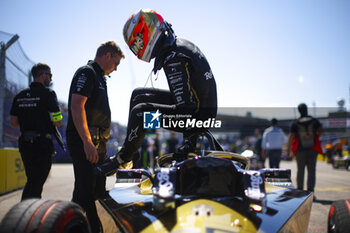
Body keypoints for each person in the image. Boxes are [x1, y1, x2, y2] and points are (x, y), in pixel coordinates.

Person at [96, 9, 217, 175]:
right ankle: (132, 152)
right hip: (197, 108)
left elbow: (185, 108)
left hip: (196, 116)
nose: (137, 48)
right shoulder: (177, 47)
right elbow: (185, 99)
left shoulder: (173, 57)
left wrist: (189, 143)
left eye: (137, 43)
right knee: (138, 94)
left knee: (141, 113)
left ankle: (122, 158)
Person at [66, 41, 124, 233]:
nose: (116, 69)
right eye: (116, 63)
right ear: (107, 55)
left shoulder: (100, 77)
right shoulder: (87, 72)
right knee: (86, 192)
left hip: (97, 142)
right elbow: (76, 106)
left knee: (96, 191)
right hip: (86, 141)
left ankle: (72, 226)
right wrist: (87, 142)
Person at [10, 63, 62, 200]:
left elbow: (13, 123)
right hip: (42, 145)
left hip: (25, 144)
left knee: (33, 180)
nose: (51, 79)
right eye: (50, 75)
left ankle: (29, 213)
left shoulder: (19, 95)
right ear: (43, 75)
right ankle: (27, 215)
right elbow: (58, 121)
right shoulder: (48, 94)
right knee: (36, 183)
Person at [287, 103, 323, 194]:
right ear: (307, 109)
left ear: (299, 111)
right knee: (311, 170)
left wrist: (288, 149)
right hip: (312, 148)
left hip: (300, 150)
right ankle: (310, 191)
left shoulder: (296, 122)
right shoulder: (314, 120)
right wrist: (316, 136)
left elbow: (291, 136)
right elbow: (321, 131)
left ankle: (300, 190)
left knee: (300, 170)